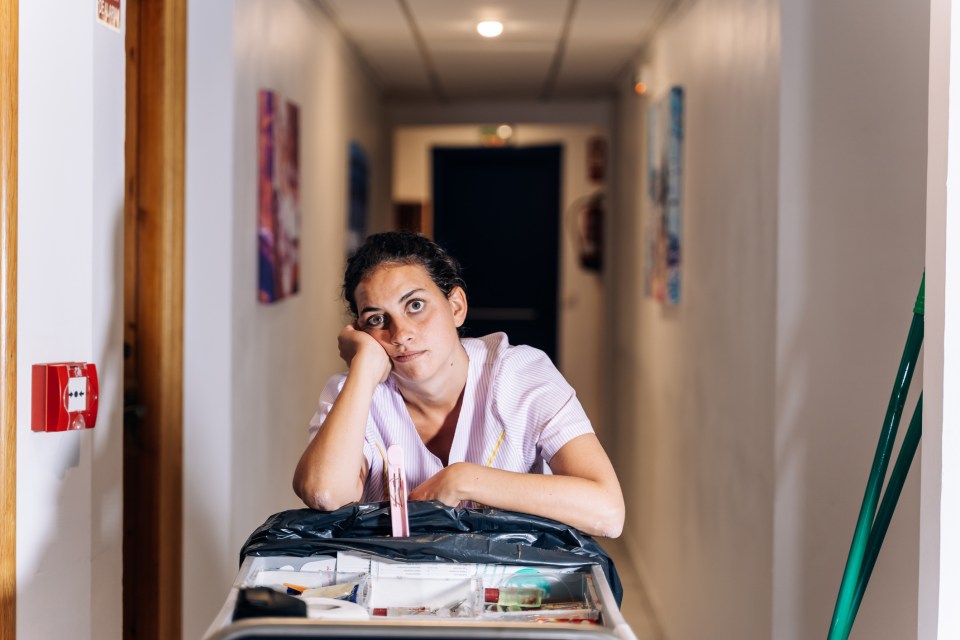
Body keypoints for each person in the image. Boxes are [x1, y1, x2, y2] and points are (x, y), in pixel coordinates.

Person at [293, 231, 625, 538]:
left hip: (513, 590)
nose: (401, 334)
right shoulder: (353, 394)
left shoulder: (521, 374)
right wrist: (364, 368)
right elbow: (324, 493)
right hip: (399, 592)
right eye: (377, 319)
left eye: (416, 305)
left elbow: (608, 512)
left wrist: (463, 480)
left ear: (456, 307)